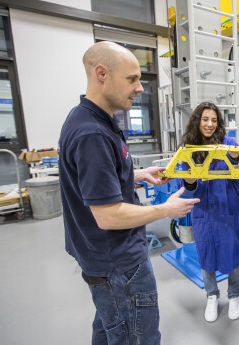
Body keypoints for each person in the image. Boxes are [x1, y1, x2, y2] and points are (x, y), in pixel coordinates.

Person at [58, 41, 200, 345]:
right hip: (118, 264)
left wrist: (133, 175)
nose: (140, 88)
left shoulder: (88, 117)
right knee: (137, 337)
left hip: (100, 260)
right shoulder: (92, 133)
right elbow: (109, 216)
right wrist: (165, 210)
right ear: (101, 74)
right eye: (132, 79)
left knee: (111, 328)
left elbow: (90, 179)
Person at [180, 102, 239, 323]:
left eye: (214, 120)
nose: (209, 124)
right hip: (204, 212)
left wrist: (237, 161)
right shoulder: (190, 148)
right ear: (197, 121)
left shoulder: (230, 145)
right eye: (205, 119)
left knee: (234, 254)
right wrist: (189, 182)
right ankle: (211, 295)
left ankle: (234, 295)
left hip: (228, 210)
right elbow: (186, 186)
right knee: (205, 253)